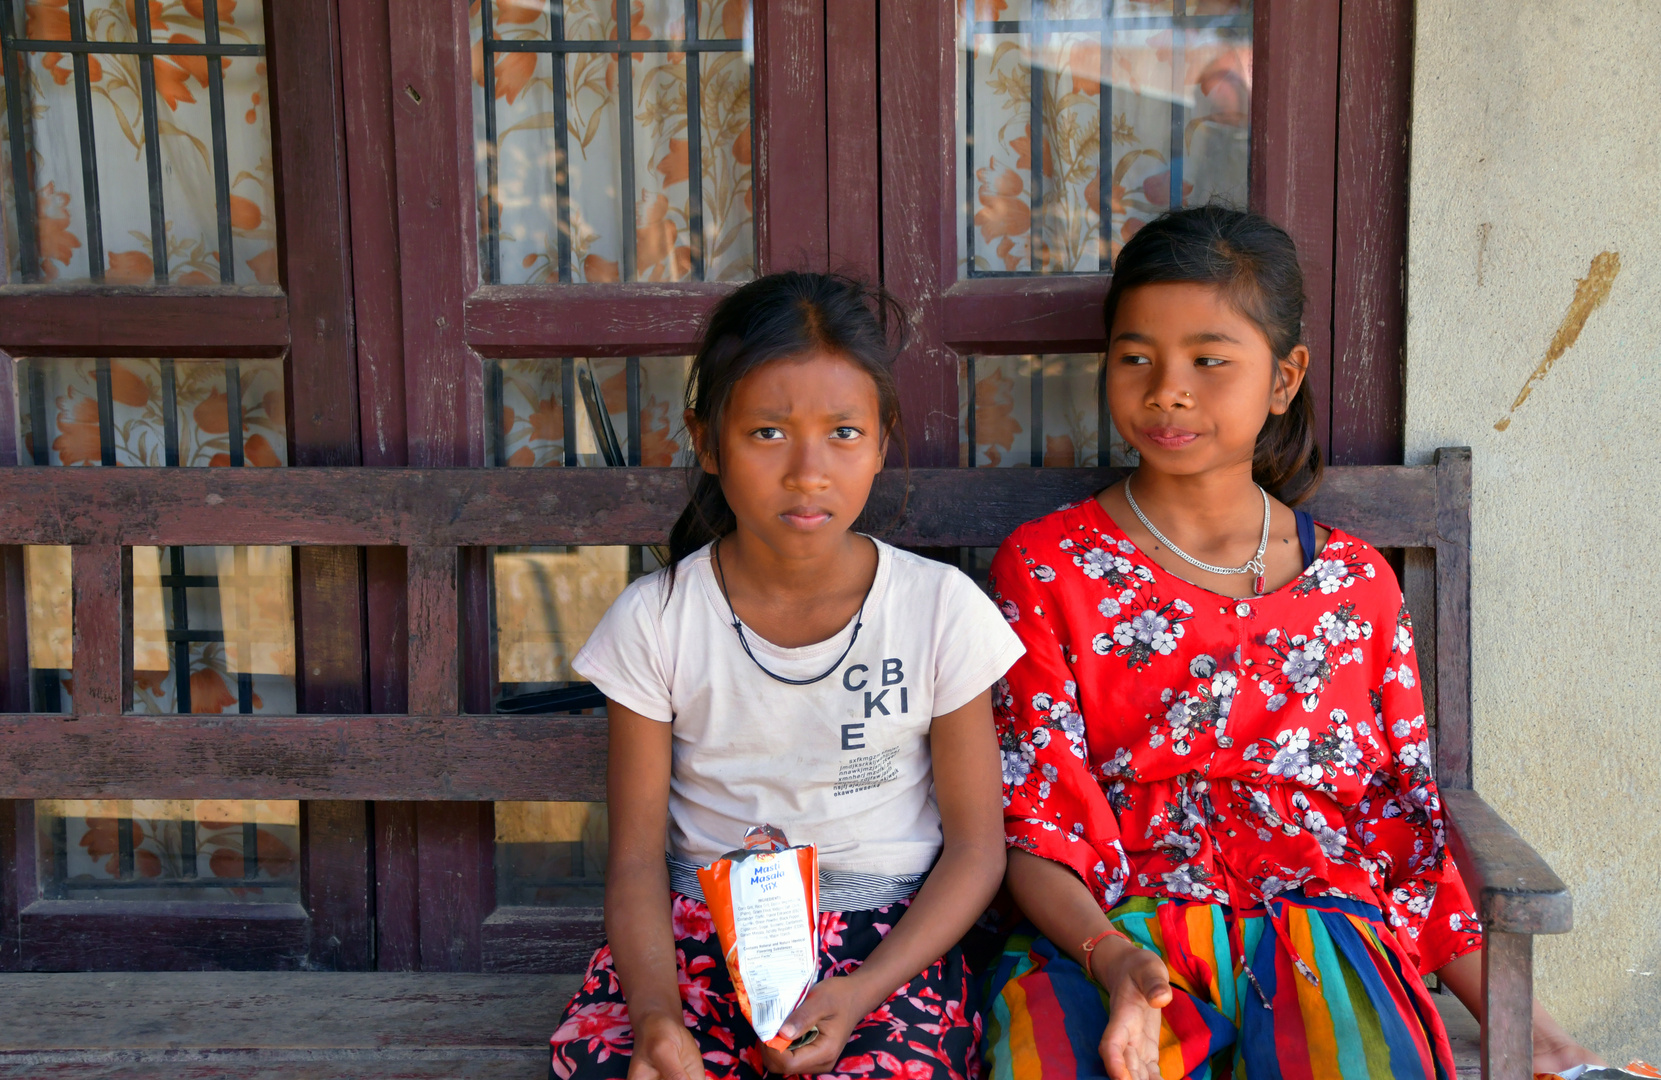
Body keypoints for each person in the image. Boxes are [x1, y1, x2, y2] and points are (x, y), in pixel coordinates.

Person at [980, 206, 1601, 1080]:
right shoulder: (1047, 569)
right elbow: (1037, 822)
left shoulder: (1354, 586)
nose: (1168, 389)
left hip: (1323, 934)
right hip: (1112, 926)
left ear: (1283, 377)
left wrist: (1533, 1032)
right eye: (1135, 359)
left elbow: (1405, 834)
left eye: (1208, 359)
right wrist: (1106, 956)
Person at [548, 272, 1025, 1080]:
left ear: (881, 440)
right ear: (706, 441)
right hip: (696, 937)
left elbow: (978, 848)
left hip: (881, 947)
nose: (809, 471)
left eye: (843, 432)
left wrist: (864, 989)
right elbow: (633, 858)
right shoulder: (658, 620)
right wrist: (660, 1020)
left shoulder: (938, 608)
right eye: (767, 434)